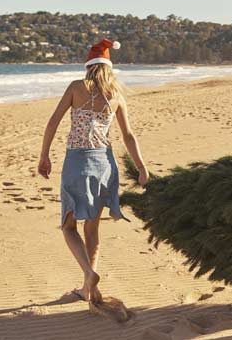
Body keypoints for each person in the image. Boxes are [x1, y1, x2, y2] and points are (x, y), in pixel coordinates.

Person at [35, 38, 149, 310]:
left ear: (88, 66)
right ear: (109, 68)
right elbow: (128, 136)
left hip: (77, 162)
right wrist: (141, 166)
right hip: (104, 165)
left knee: (68, 226)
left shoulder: (76, 87)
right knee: (93, 228)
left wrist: (44, 155)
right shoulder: (116, 96)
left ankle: (88, 274)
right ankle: (88, 286)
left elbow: (52, 122)